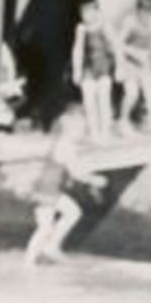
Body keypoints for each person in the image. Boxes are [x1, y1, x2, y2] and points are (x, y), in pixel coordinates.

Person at [23, 106, 107, 267]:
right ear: (71, 129)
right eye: (82, 128)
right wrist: (94, 180)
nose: (83, 132)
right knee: (46, 227)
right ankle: (30, 260)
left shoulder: (63, 141)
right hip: (47, 190)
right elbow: (76, 172)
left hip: (49, 187)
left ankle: (49, 247)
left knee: (71, 213)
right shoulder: (65, 145)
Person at [117, 0, 151, 135]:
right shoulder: (130, 22)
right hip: (130, 63)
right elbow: (118, 44)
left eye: (150, 11)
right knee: (132, 94)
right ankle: (123, 120)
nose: (146, 15)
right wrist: (132, 53)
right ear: (138, 10)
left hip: (145, 63)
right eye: (144, 11)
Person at [70, 0, 117, 141]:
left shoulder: (105, 26)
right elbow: (77, 50)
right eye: (83, 13)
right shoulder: (81, 29)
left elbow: (115, 46)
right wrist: (76, 70)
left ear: (97, 12)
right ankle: (93, 131)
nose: (85, 16)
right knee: (89, 101)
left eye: (89, 12)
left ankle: (106, 131)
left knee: (104, 100)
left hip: (103, 67)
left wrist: (119, 65)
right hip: (88, 69)